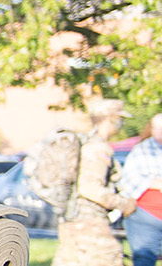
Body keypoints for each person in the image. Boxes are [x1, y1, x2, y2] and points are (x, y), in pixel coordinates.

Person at [55, 100, 135, 266]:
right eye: (120, 119)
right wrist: (123, 203)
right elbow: (90, 188)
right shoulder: (97, 148)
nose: (121, 124)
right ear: (109, 119)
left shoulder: (88, 143)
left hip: (75, 223)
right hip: (90, 226)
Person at [121, 114, 162, 266]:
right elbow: (133, 180)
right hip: (146, 217)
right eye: (157, 127)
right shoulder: (142, 150)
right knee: (144, 258)